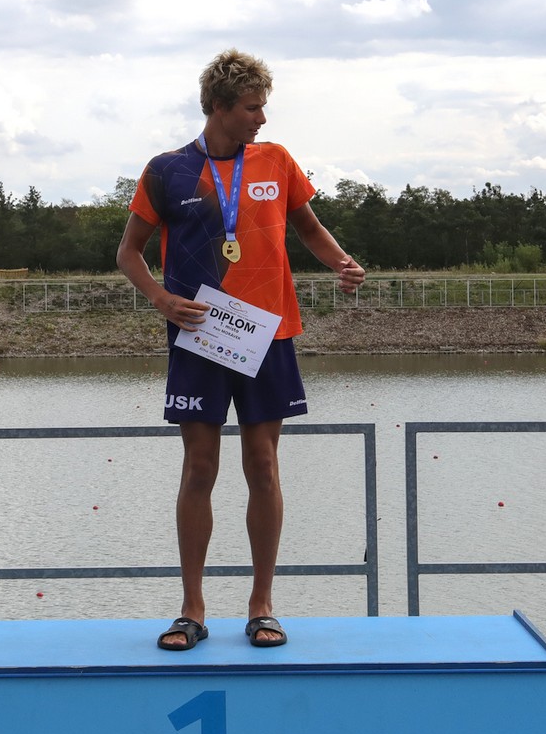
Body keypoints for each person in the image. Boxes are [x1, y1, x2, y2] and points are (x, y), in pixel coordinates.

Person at [117, 49, 365, 651]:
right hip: (200, 334)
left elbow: (308, 227)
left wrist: (341, 262)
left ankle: (262, 606)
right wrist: (160, 299)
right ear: (220, 107)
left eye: (263, 107)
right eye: (253, 108)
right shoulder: (167, 170)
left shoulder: (276, 160)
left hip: (267, 334)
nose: (262, 118)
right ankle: (192, 610)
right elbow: (129, 253)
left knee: (263, 465)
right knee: (200, 466)